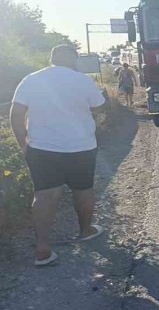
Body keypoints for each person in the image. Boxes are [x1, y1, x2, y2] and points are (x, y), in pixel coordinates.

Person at [9, 45, 108, 266]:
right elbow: (101, 107)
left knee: (44, 196)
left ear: (51, 59)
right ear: (74, 60)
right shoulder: (82, 80)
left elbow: (15, 113)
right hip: (81, 147)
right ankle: (85, 230)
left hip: (42, 149)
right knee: (83, 192)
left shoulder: (31, 79)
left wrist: (23, 143)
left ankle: (42, 248)